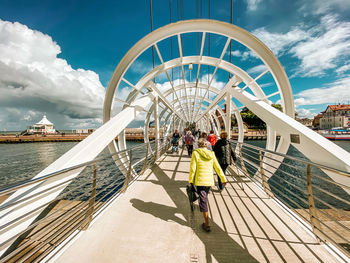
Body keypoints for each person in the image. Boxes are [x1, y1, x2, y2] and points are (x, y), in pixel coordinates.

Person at [189, 138, 227, 232]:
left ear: (199, 145)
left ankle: (207, 224)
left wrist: (191, 180)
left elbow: (193, 168)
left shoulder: (195, 153)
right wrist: (223, 179)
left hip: (200, 181)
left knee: (203, 200)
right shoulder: (211, 154)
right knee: (204, 197)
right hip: (209, 181)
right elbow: (217, 167)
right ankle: (205, 218)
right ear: (207, 145)